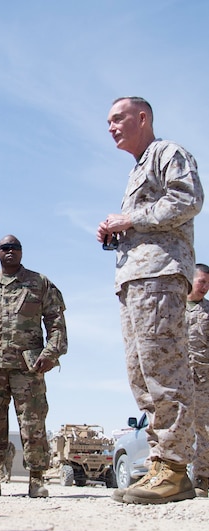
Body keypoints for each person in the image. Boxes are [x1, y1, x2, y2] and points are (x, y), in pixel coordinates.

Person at [98, 96, 204, 505]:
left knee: (165, 370)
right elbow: (147, 217)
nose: (111, 127)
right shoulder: (137, 169)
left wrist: (131, 219)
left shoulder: (167, 153)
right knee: (141, 374)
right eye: (108, 122)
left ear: (142, 118)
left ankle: (175, 469)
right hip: (136, 279)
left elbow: (188, 199)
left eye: (117, 119)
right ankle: (161, 463)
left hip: (159, 275)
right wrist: (117, 231)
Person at [0, 235, 67, 498]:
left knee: (32, 421)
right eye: (5, 248)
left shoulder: (39, 283)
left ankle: (36, 479)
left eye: (15, 247)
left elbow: (56, 321)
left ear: (22, 252)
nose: (10, 251)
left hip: (29, 366)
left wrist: (51, 352)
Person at [188, 264, 209, 497]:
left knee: (204, 430)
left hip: (203, 380)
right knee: (174, 428)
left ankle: (202, 479)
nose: (205, 287)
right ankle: (175, 475)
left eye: (208, 283)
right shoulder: (173, 308)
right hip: (173, 380)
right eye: (201, 281)